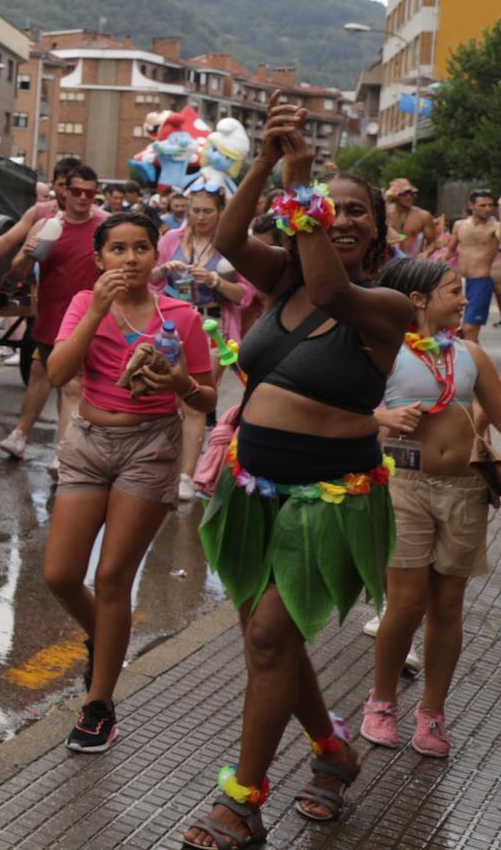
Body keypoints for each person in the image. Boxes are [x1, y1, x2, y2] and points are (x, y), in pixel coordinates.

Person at [181, 104, 404, 849]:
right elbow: (223, 237)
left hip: (330, 504)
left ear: (378, 230)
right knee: (269, 640)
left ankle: (241, 802)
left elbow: (335, 291)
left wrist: (303, 180)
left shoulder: (385, 304)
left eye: (356, 213)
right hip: (252, 490)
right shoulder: (281, 279)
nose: (340, 220)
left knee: (272, 636)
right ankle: (334, 754)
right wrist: (268, 160)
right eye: (328, 209)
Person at [45, 209, 216, 753]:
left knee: (114, 575)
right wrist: (95, 309)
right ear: (99, 260)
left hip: (150, 447)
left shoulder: (181, 316)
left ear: (155, 256)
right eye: (116, 249)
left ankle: (99, 707)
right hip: (88, 443)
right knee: (60, 574)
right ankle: (108, 636)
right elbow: (56, 373)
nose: (129, 258)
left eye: (140, 247)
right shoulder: (82, 304)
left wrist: (180, 381)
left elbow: (207, 399)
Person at [358, 258, 501, 757]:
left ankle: (432, 714)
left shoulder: (470, 354)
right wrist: (382, 415)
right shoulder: (384, 354)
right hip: (404, 486)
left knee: (447, 605)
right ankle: (381, 702)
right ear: (418, 300)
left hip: (464, 491)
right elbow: (345, 412)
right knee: (408, 602)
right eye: (453, 291)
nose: (464, 301)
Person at [0, 161, 107, 471]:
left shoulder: (105, 227)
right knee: (41, 375)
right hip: (51, 314)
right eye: (77, 191)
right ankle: (19, 435)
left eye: (90, 194)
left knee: (71, 385)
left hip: (86, 318)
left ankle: (64, 452)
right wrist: (23, 255)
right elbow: (14, 259)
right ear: (64, 190)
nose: (83, 198)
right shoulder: (46, 223)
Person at [154, 181, 255, 500]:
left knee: (195, 400)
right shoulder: (171, 239)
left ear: (221, 212)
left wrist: (214, 280)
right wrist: (163, 271)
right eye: (195, 210)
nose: (199, 217)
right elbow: (149, 280)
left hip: (214, 327)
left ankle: (186, 476)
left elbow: (246, 295)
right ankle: (162, 465)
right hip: (173, 324)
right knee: (164, 399)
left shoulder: (232, 244)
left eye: (207, 211)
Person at [440, 191, 498, 341]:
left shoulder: (496, 227)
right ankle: (474, 361)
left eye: (491, 205)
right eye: (483, 205)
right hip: (459, 282)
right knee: (456, 329)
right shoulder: (460, 225)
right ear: (472, 205)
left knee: (469, 329)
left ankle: (474, 363)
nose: (488, 209)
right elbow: (450, 252)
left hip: (481, 282)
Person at [384, 179, 436, 261]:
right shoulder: (385, 213)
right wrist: (386, 198)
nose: (409, 197)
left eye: (411, 193)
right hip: (387, 262)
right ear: (395, 196)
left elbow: (432, 242)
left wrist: (426, 253)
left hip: (411, 263)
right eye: (404, 194)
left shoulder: (423, 216)